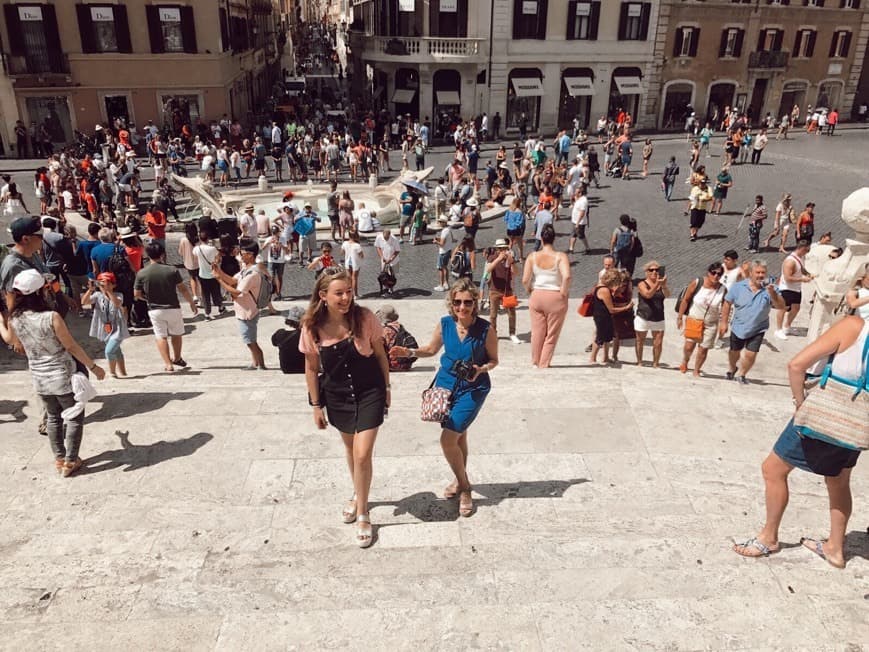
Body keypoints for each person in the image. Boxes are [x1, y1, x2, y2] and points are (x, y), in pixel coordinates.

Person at [732, 314, 867, 568]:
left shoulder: (854, 326)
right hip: (858, 424)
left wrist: (799, 404)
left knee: (773, 470)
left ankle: (768, 537)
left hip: (824, 415)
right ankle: (835, 549)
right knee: (839, 481)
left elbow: (797, 365)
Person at [392, 278, 499, 518]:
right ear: (451, 303)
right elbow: (430, 350)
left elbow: (494, 360)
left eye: (468, 302)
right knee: (459, 437)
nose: (462, 307)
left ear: (475, 302)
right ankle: (459, 479)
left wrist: (481, 369)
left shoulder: (485, 329)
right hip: (446, 386)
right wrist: (408, 352)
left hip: (473, 388)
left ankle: (465, 486)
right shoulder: (445, 324)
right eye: (457, 302)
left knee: (448, 439)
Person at [300, 269, 390, 547]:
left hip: (370, 390)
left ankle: (363, 512)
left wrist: (387, 388)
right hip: (337, 395)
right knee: (351, 450)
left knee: (363, 454)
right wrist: (316, 405)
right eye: (339, 293)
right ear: (323, 295)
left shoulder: (365, 318)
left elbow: (379, 354)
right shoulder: (312, 327)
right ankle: (358, 493)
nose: (346, 297)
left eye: (349, 291)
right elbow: (311, 368)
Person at [8, 269, 106, 477]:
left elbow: (16, 345)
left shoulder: (15, 319)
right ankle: (71, 461)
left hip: (39, 378)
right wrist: (94, 367)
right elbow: (71, 346)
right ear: (39, 292)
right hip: (62, 375)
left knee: (53, 418)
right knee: (74, 416)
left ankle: (59, 458)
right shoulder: (51, 317)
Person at [134, 241, 198, 372]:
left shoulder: (142, 273)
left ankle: (168, 364)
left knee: (161, 336)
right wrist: (191, 302)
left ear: (148, 255)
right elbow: (183, 289)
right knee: (176, 334)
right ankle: (178, 357)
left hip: (155, 309)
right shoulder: (172, 270)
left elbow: (136, 294)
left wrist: (147, 299)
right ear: (162, 254)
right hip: (173, 307)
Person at [719, 259, 786, 384]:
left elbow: (781, 306)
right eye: (758, 272)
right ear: (750, 273)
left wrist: (773, 294)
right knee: (734, 352)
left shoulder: (771, 289)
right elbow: (727, 303)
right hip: (738, 326)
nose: (761, 275)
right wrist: (724, 322)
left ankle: (742, 374)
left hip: (758, 328)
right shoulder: (738, 287)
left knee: (751, 354)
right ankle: (732, 368)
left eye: (763, 273)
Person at [212, 238, 267, 370]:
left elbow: (236, 292)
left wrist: (219, 280)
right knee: (250, 339)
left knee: (250, 341)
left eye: (243, 253)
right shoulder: (245, 270)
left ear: (250, 255)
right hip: (244, 310)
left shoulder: (252, 274)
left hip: (248, 312)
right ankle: (255, 363)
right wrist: (218, 269)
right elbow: (232, 280)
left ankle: (261, 365)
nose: (240, 255)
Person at [522, 224, 571, 368]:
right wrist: (564, 292)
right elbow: (567, 276)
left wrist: (529, 290)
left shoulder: (532, 256)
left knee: (537, 332)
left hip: (537, 294)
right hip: (555, 295)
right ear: (554, 239)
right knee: (551, 333)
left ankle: (535, 361)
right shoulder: (560, 256)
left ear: (541, 239)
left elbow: (525, 279)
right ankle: (544, 363)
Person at [677, 262, 726, 376]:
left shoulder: (723, 289)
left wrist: (724, 323)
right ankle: (685, 360)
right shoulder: (698, 282)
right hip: (694, 319)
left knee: (703, 349)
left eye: (719, 274)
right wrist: (680, 317)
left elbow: (725, 307)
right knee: (689, 346)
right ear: (708, 273)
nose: (715, 276)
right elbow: (685, 300)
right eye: (713, 273)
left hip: (711, 323)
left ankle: (696, 369)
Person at [81, 272, 130, 378]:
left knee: (109, 351)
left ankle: (112, 372)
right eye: (102, 284)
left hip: (117, 328)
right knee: (116, 350)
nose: (103, 287)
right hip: (105, 328)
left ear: (114, 285)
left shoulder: (118, 295)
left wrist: (108, 291)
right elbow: (84, 302)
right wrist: (90, 290)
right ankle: (123, 372)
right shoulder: (98, 296)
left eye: (108, 283)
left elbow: (117, 303)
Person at [590, 269, 634, 365]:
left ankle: (605, 358)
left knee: (607, 337)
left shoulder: (600, 286)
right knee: (600, 337)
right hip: (602, 316)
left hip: (602, 315)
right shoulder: (604, 290)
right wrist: (626, 307)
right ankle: (592, 359)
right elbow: (611, 309)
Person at [774, 240, 813, 340]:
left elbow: (801, 268)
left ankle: (787, 326)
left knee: (796, 308)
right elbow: (788, 278)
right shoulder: (790, 261)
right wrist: (802, 279)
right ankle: (778, 330)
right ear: (802, 248)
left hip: (796, 288)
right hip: (787, 288)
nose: (807, 252)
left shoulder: (800, 257)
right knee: (783, 308)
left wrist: (808, 274)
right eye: (807, 250)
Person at [635, 261, 670, 367]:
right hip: (643, 316)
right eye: (651, 270)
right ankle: (640, 361)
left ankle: (656, 363)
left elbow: (667, 295)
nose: (654, 272)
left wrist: (663, 286)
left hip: (658, 317)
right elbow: (647, 295)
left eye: (657, 270)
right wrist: (657, 284)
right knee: (640, 341)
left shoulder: (661, 284)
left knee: (658, 342)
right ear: (647, 272)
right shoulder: (642, 283)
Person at [485, 239, 520, 344]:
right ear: (497, 249)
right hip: (494, 289)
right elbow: (488, 269)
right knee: (493, 314)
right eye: (500, 249)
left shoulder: (509, 258)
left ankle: (512, 334)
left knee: (511, 313)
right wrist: (498, 259)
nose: (503, 251)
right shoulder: (492, 257)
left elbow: (517, 273)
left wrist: (512, 262)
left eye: (504, 248)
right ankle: (493, 333)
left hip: (507, 290)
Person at [272, 305, 306, 374]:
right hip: (303, 368)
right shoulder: (305, 334)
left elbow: (274, 343)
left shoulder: (279, 333)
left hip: (286, 369)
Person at [433, 216, 455, 292]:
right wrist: (439, 239)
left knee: (440, 269)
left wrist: (436, 242)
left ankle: (441, 285)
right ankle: (446, 283)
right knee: (445, 267)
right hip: (448, 250)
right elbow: (449, 240)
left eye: (440, 221)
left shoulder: (444, 231)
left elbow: (442, 244)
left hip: (443, 252)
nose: (439, 223)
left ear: (443, 222)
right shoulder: (449, 229)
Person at [341, 230, 364, 299]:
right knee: (354, 278)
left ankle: (349, 294)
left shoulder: (345, 243)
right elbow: (361, 256)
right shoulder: (357, 245)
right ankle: (355, 295)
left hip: (347, 262)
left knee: (349, 279)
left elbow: (342, 252)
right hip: (355, 263)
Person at [568, 186, 590, 255]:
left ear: (580, 193)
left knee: (581, 236)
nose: (574, 193)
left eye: (576, 192)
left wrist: (577, 223)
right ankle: (571, 248)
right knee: (573, 234)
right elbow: (574, 205)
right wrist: (573, 199)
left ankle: (587, 248)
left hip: (580, 222)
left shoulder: (583, 201)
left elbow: (582, 212)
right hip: (574, 220)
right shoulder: (579, 199)